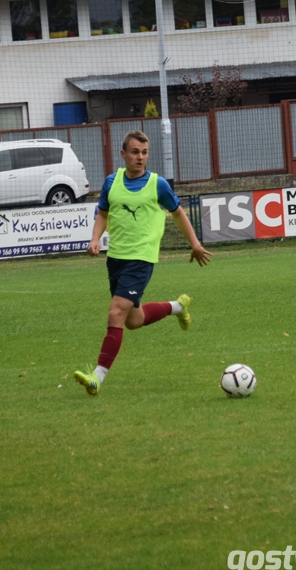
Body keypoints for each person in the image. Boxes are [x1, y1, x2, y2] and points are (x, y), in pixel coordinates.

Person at [74, 130, 211, 396]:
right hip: (116, 258)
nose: (140, 157)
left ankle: (97, 376)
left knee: (115, 312)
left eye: (145, 152)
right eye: (135, 152)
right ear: (123, 154)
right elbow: (102, 213)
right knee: (132, 320)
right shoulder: (111, 182)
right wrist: (94, 239)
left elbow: (179, 214)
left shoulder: (157, 185)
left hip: (142, 259)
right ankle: (177, 306)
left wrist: (195, 244)